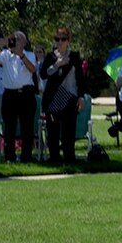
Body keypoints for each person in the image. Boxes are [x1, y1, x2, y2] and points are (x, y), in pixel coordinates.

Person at [0, 32, 39, 163]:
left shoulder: (30, 55)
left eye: (18, 39)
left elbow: (32, 69)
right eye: (14, 39)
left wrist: (20, 55)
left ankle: (26, 157)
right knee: (9, 128)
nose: (15, 41)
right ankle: (9, 157)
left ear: (24, 42)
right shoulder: (6, 55)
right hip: (10, 94)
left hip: (26, 94)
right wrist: (1, 45)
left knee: (26, 128)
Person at [39, 28, 85, 167]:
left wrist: (81, 96)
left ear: (68, 41)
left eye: (63, 39)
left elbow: (80, 79)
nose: (60, 42)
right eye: (57, 39)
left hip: (70, 97)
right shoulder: (50, 57)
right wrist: (58, 64)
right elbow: (43, 74)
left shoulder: (75, 57)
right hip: (53, 99)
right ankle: (54, 159)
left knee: (68, 131)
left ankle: (69, 158)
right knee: (52, 132)